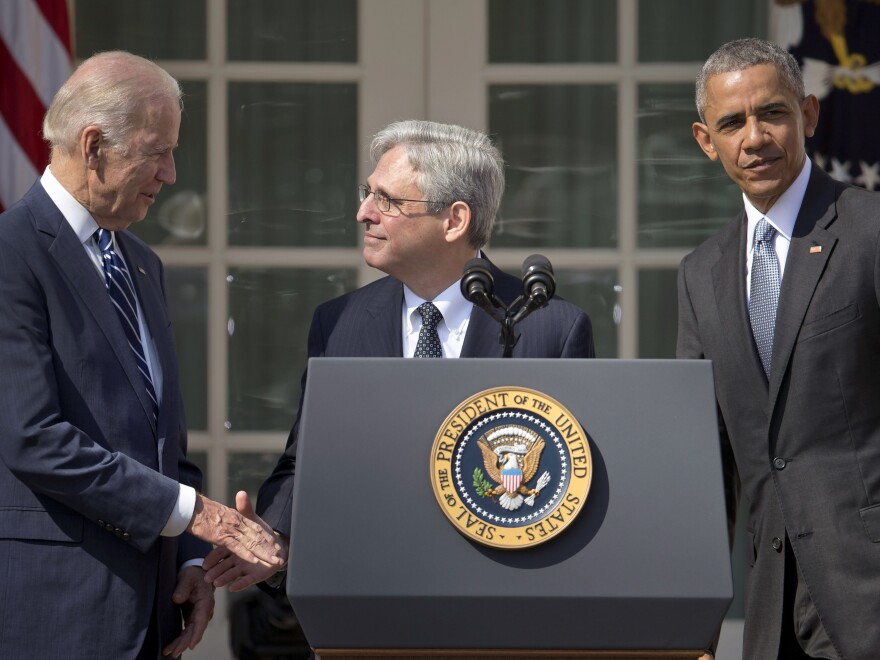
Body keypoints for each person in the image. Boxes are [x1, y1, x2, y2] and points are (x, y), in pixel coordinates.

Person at [203, 119, 595, 591]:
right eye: (367, 194)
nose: (364, 213)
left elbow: (571, 482)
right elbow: (305, 460)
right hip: (369, 591)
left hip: (500, 595)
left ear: (455, 220)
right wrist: (276, 537)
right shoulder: (339, 322)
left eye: (387, 200)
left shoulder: (546, 325)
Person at [0, 51, 285, 659]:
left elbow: (163, 442)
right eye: (158, 151)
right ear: (95, 144)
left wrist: (187, 560)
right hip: (52, 612)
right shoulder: (10, 255)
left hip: (154, 615)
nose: (172, 173)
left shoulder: (142, 265)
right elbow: (32, 438)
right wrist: (197, 516)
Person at [678, 38, 880, 660]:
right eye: (732, 123)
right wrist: (691, 633)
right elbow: (703, 469)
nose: (755, 137)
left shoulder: (870, 231)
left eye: (773, 114)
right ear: (706, 140)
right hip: (769, 615)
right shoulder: (700, 272)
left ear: (810, 116)